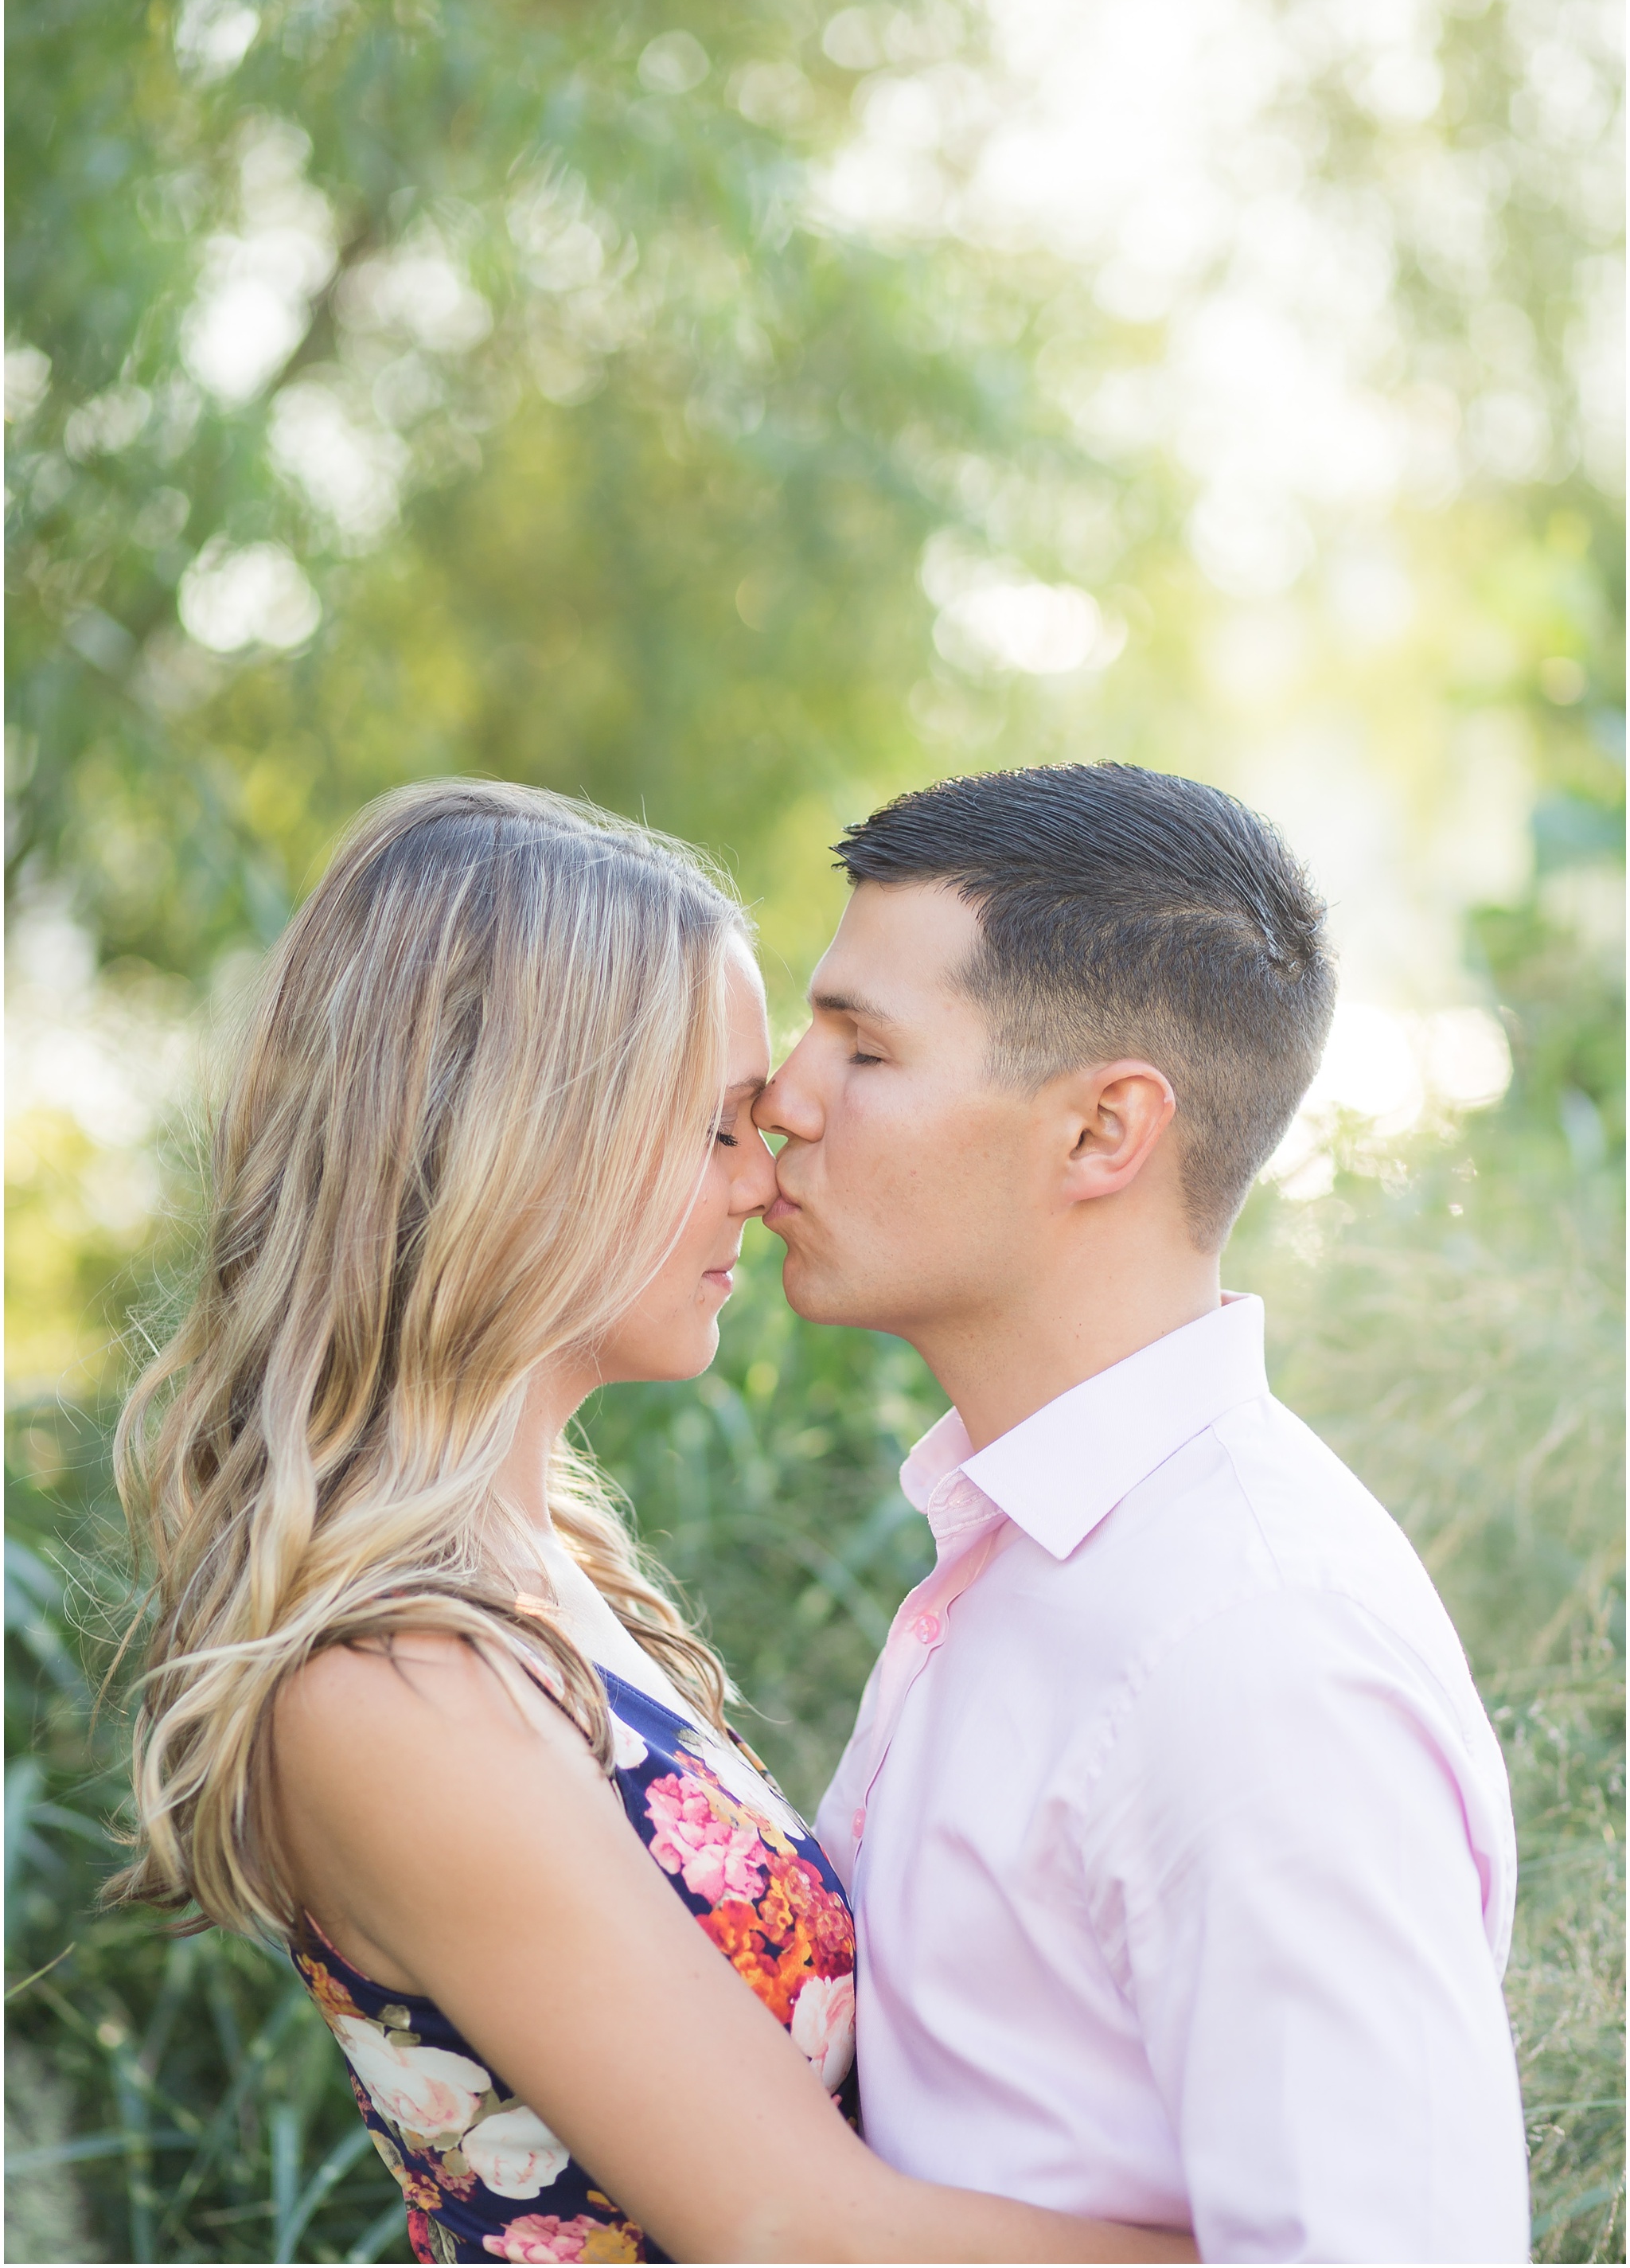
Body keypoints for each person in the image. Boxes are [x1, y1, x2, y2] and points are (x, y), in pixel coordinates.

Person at [108, 778, 1193, 2268]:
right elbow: (801, 2234)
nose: (764, 1180)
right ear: (523, 1147)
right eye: (714, 1127)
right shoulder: (389, 1688)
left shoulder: (542, 1570)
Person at [754, 761, 1531, 2267]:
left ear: (1103, 1133)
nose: (785, 1098)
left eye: (863, 1047)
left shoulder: (1258, 1654)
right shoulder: (1035, 1552)